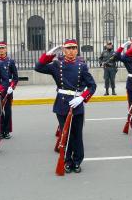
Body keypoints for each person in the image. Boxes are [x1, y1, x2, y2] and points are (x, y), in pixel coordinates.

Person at [35, 39, 96, 173]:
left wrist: (81, 97)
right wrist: (50, 54)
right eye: (68, 48)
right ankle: (67, 160)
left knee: (77, 134)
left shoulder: (82, 66)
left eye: (74, 48)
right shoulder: (57, 65)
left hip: (77, 103)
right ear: (63, 50)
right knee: (66, 134)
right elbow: (38, 67)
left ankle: (77, 161)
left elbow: (92, 86)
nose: (71, 51)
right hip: (62, 103)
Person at [115, 38, 132, 132]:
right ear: (130, 46)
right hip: (131, 83)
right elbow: (116, 56)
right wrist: (122, 46)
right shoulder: (126, 57)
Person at [0, 41, 19, 139]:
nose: (1, 50)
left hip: (8, 89)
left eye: (3, 48)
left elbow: (15, 77)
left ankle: (6, 130)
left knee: (7, 110)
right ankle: (0, 130)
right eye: (0, 48)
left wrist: (12, 86)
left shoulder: (10, 61)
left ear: (6, 49)